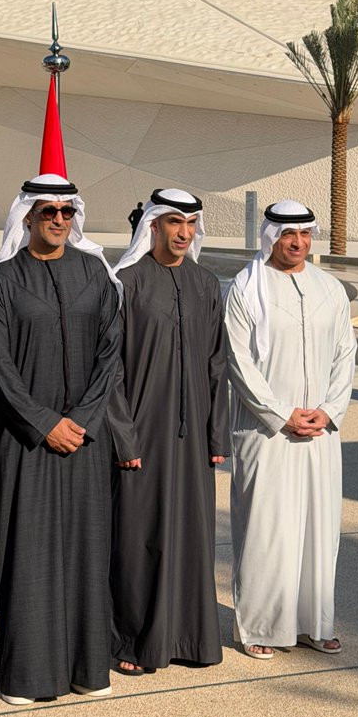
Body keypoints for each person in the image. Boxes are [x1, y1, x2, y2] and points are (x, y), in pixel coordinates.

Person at [0, 174, 121, 705]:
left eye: (66, 211)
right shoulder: (1, 281)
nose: (58, 219)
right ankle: (30, 676)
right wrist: (43, 423)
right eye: (48, 211)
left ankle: (88, 669)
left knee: (87, 551)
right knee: (28, 553)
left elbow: (111, 353)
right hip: (24, 441)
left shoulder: (94, 273)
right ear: (28, 217)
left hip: (85, 437)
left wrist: (81, 418)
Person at [225, 201, 356, 660]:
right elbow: (238, 361)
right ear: (271, 237)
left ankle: (314, 624)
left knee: (319, 529)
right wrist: (281, 414)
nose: (297, 243)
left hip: (320, 432)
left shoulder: (329, 288)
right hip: (266, 433)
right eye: (287, 234)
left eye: (303, 234)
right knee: (267, 530)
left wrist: (329, 409)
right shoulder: (246, 288)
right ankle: (260, 627)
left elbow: (345, 353)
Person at [109, 189, 229, 675]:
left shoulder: (205, 283)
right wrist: (124, 436)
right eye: (175, 222)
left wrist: (217, 435)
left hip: (194, 437)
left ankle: (190, 639)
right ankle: (134, 642)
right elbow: (111, 371)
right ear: (153, 225)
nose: (184, 232)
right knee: (139, 538)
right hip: (142, 434)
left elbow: (218, 363)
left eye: (191, 223)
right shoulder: (127, 282)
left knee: (192, 537)